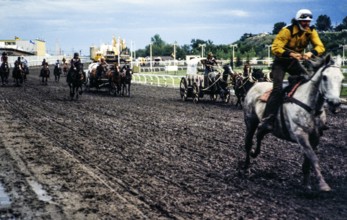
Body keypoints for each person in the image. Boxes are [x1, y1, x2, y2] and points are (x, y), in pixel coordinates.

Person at [258, 9, 325, 133]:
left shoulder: (311, 31)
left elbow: (320, 46)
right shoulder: (287, 30)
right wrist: (292, 54)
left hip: (294, 63)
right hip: (280, 63)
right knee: (277, 90)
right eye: (305, 21)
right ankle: (268, 119)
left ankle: (316, 116)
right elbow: (276, 48)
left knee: (309, 82)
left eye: (309, 21)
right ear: (298, 21)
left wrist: (312, 52)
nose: (307, 24)